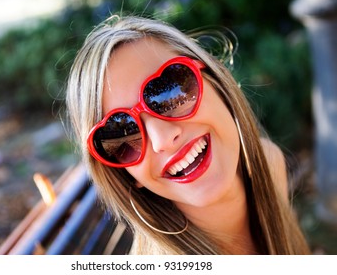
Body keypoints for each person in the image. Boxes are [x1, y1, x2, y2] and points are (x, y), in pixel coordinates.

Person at [66, 15, 310, 254]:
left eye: (169, 90)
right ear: (126, 175)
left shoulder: (269, 164)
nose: (163, 139)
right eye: (120, 134)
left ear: (216, 81)